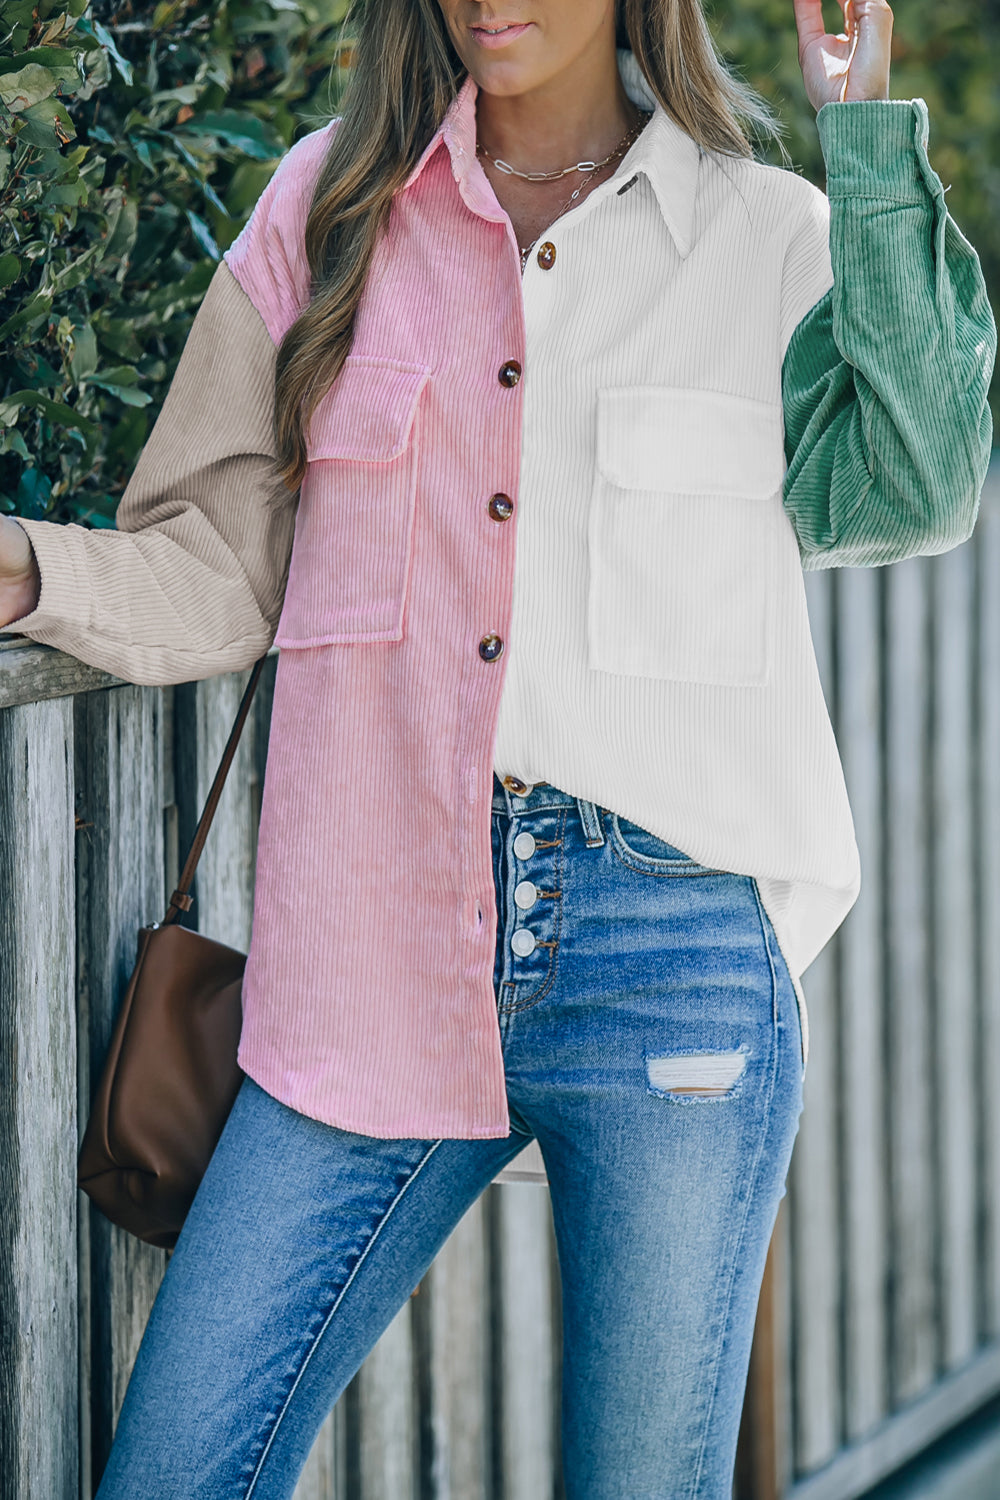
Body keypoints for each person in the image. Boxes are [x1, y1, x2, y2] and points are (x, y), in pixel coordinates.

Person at [0, 0, 994, 1495]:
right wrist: (27, 576)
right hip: (370, 949)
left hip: (671, 962)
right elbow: (217, 562)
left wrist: (863, 126)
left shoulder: (768, 229)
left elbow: (916, 489)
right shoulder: (326, 213)